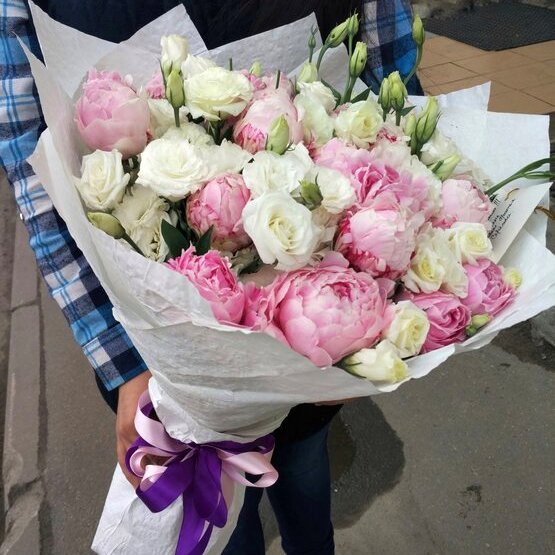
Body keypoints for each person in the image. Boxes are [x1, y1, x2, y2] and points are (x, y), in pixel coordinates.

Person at [1, 1, 422, 553]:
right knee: (223, 515)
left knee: (301, 459)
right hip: (160, 358)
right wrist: (124, 365)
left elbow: (394, 76)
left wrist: (374, 324)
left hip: (317, 322)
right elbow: (31, 163)